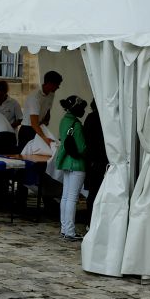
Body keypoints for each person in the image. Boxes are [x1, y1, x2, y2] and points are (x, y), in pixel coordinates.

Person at [55, 95, 88, 242]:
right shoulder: (77, 124)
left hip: (66, 162)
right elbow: (81, 148)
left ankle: (64, 229)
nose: (84, 111)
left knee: (65, 196)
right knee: (73, 198)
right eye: (82, 108)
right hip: (77, 163)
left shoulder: (64, 121)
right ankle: (70, 231)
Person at [19, 70, 62, 155]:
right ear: (49, 84)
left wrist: (45, 121)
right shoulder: (35, 97)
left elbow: (48, 109)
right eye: (57, 85)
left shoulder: (51, 94)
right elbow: (33, 123)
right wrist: (44, 138)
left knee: (39, 156)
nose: (58, 87)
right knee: (26, 157)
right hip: (28, 129)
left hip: (38, 128)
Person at [82, 100, 107, 224]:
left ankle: (90, 221)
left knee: (93, 192)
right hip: (98, 161)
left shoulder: (90, 118)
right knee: (96, 192)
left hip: (92, 160)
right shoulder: (98, 118)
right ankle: (92, 221)